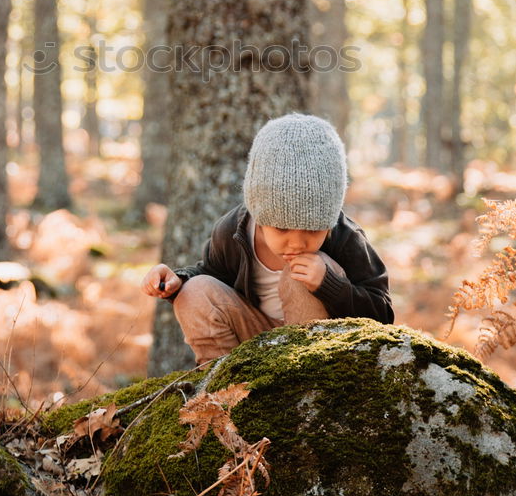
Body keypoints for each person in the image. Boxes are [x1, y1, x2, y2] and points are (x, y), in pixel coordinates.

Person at [141, 112, 393, 364]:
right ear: (259, 215)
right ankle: (223, 387)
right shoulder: (232, 231)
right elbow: (212, 276)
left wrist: (330, 286)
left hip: (318, 351)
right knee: (193, 292)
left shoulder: (345, 236)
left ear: (328, 219)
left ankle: (305, 390)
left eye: (312, 230)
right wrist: (178, 281)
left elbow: (383, 315)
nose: (296, 243)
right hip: (252, 340)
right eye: (282, 229)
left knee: (302, 277)